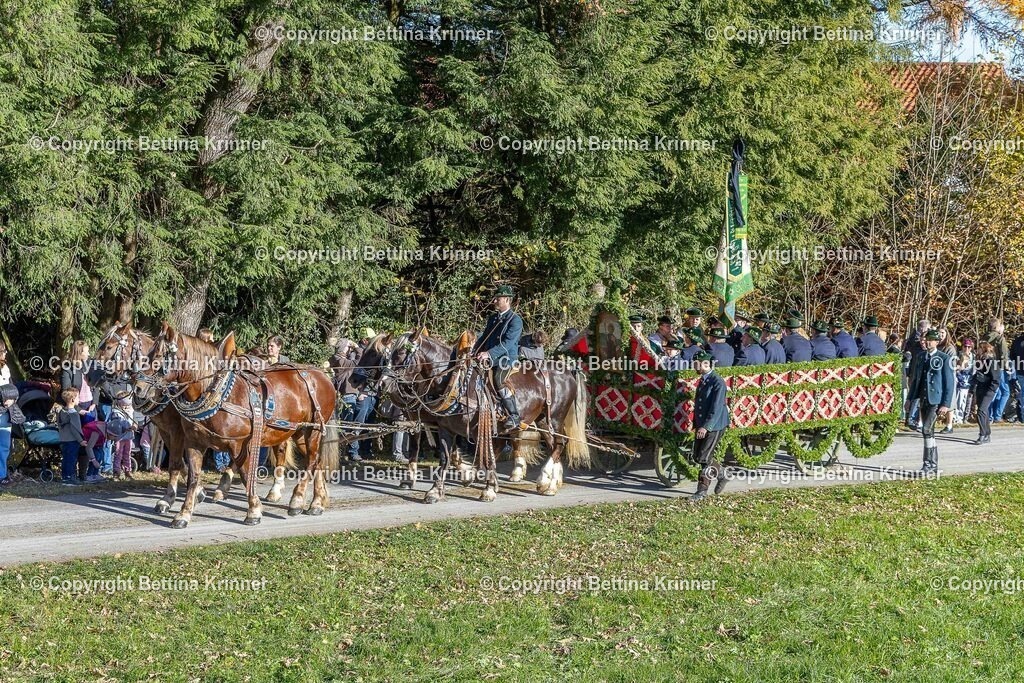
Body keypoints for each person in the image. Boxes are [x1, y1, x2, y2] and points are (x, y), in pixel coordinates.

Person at [473, 284, 525, 432]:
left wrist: (488, 353)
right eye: (495, 298)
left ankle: (514, 416)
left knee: (498, 379)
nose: (495, 301)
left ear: (507, 300)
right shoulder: (493, 318)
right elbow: (484, 337)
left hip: (506, 358)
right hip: (490, 357)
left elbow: (508, 343)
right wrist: (475, 350)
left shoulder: (515, 320)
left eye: (498, 298)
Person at [904, 329, 954, 475]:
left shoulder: (944, 358)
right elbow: (916, 381)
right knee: (929, 432)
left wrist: (945, 404)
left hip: (936, 401)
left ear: (937, 342)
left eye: (931, 340)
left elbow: (949, 383)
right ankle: (933, 464)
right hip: (924, 398)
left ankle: (928, 463)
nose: (927, 342)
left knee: (926, 429)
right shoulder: (920, 357)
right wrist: (910, 399)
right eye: (926, 339)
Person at [690, 351, 729, 502]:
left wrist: (706, 427)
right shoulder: (704, 380)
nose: (694, 366)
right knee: (697, 456)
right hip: (703, 423)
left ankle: (701, 491)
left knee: (704, 457)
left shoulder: (717, 382)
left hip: (715, 425)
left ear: (704, 364)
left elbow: (717, 407)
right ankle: (723, 474)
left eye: (696, 363)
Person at [57, 388, 88, 486]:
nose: (79, 400)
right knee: (72, 459)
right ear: (73, 400)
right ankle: (70, 477)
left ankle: (65, 476)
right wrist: (80, 440)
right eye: (78, 397)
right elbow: (75, 429)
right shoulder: (74, 413)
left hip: (63, 439)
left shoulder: (62, 411)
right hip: (72, 440)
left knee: (66, 458)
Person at [970, 341, 999, 445]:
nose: (977, 350)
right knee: (984, 412)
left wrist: (991, 389)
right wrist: (972, 388)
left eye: (979, 348)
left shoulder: (991, 362)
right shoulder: (979, 361)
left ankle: (982, 434)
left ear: (984, 349)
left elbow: (996, 379)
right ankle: (987, 434)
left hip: (989, 390)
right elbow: (976, 376)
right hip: (980, 389)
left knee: (981, 411)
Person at [985, 318, 1010, 423]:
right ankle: (997, 416)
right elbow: (1003, 355)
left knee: (994, 392)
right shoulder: (1000, 339)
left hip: (986, 367)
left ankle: (990, 415)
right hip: (998, 367)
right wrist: (1007, 367)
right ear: (996, 327)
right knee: (1005, 391)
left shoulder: (984, 338)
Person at [106, 396, 137, 479]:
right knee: (118, 454)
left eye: (128, 405)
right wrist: (125, 428)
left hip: (129, 436)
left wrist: (135, 425)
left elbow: (134, 421)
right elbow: (116, 425)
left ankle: (128, 471)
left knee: (127, 454)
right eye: (124, 405)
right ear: (120, 404)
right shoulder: (116, 412)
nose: (126, 407)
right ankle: (116, 471)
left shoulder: (130, 411)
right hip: (120, 437)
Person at [0, 341, 14, 485]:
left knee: (4, 445)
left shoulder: (6, 368)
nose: (5, 353)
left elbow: (11, 387)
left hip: (5, 412)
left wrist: (12, 399)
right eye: (3, 351)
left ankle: (2, 475)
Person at [954, 339, 975, 426]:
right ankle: (957, 418)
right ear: (962, 347)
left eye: (969, 347)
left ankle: (964, 418)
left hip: (969, 380)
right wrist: (960, 367)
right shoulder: (958, 355)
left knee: (967, 400)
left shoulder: (973, 356)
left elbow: (974, 369)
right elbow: (955, 368)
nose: (967, 348)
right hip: (960, 380)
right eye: (965, 346)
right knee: (959, 400)